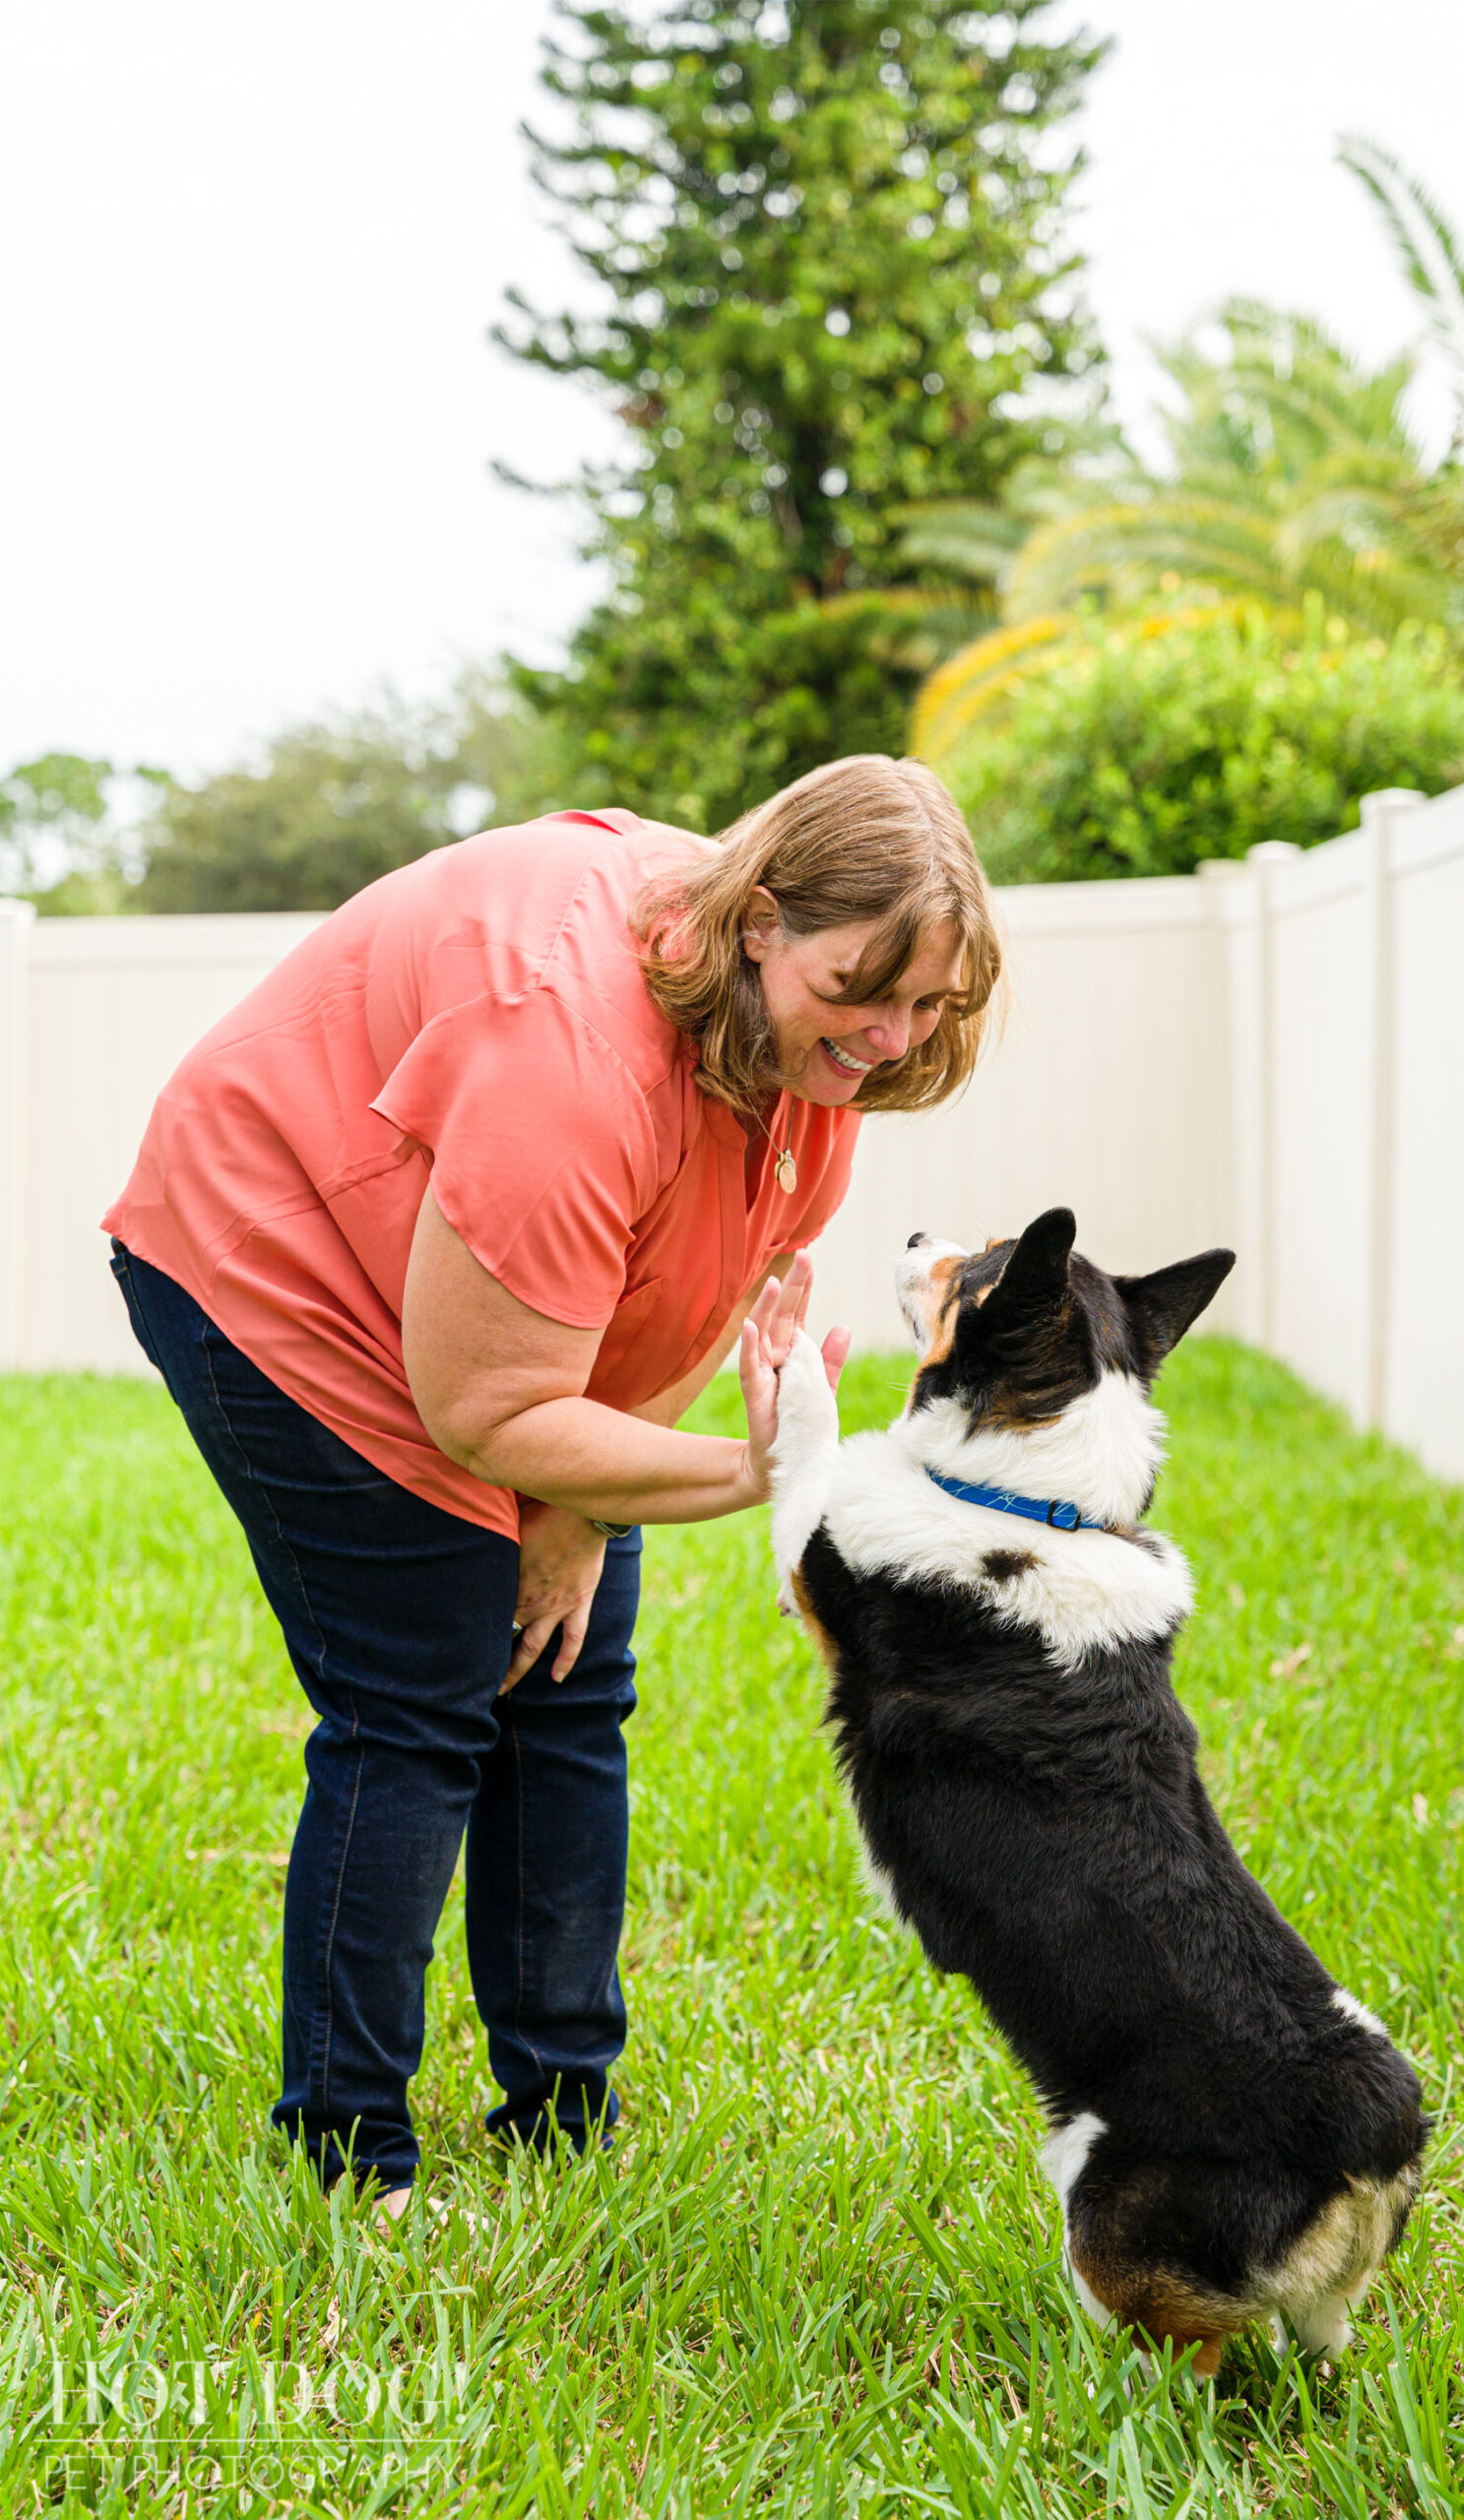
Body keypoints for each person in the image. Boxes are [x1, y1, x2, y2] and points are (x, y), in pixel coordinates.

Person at [104, 754, 1002, 2212]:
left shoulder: (801, 1037)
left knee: (570, 1681)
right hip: (275, 1255)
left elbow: (691, 1289)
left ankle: (562, 2113)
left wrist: (582, 1515)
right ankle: (350, 2156)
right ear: (761, 921)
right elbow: (487, 1404)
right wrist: (761, 1470)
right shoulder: (568, 1055)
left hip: (492, 1296)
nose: (894, 1038)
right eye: (866, 991)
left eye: (931, 1007)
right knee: (422, 1699)